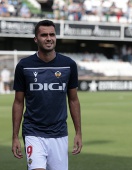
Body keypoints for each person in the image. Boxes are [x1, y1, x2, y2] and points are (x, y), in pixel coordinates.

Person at [12, 20, 82, 170]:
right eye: (44, 35)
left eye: (52, 34)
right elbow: (18, 102)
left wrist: (78, 133)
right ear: (36, 39)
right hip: (33, 132)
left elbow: (74, 100)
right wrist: (15, 136)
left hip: (59, 134)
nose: (49, 38)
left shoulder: (69, 65)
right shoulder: (24, 66)